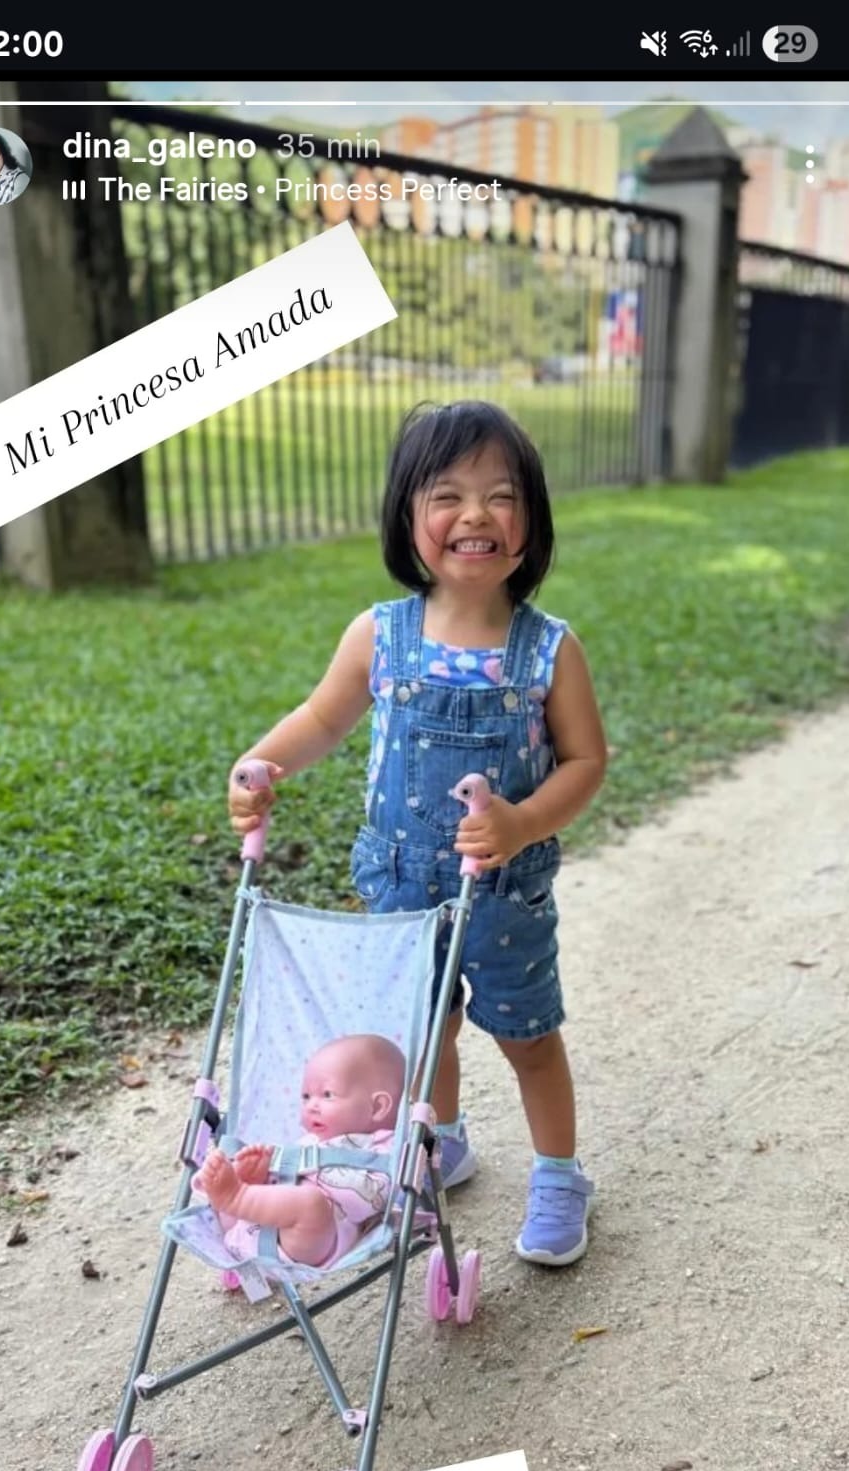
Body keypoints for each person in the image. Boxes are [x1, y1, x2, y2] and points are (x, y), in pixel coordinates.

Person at [227, 402, 608, 1267]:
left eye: (501, 496)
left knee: (527, 1036)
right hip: (400, 884)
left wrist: (522, 821)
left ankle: (558, 1174)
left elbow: (585, 762)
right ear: (408, 517)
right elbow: (321, 719)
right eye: (448, 496)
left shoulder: (548, 650)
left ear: (531, 523)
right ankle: (441, 1142)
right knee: (421, 1033)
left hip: (503, 893)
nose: (476, 515)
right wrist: (261, 763)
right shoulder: (380, 635)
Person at [192, 1033, 404, 1269]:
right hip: (245, 1232)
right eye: (306, 1097)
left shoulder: (384, 1147)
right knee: (274, 1182)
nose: (311, 1106)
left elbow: (364, 1201)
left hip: (311, 1242)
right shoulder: (312, 1141)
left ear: (377, 1107)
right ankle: (236, 1197)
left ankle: (236, 1197)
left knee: (311, 1203)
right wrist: (262, 1175)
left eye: (327, 1095)